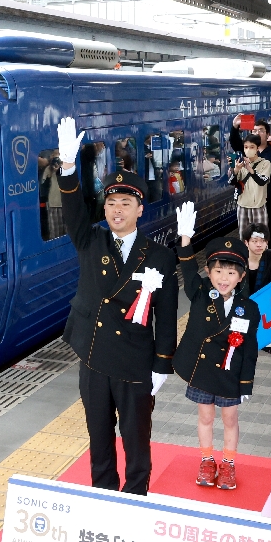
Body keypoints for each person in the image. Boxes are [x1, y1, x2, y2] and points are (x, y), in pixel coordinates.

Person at [55, 117, 179, 495]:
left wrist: (163, 365)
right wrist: (68, 168)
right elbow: (74, 210)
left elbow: (167, 314)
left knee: (136, 439)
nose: (116, 210)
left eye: (125, 203)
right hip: (93, 356)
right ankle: (103, 494)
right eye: (110, 203)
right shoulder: (91, 240)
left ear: (140, 209)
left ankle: (136, 495)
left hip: (135, 362)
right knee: (99, 437)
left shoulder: (159, 255)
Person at [173, 203, 260, 490]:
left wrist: (246, 383)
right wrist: (185, 239)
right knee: (205, 416)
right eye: (218, 271)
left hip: (230, 375)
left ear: (241, 277)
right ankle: (207, 461)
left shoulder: (249, 308)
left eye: (231, 273)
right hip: (201, 372)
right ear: (208, 272)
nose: (224, 278)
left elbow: (249, 349)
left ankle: (229, 465)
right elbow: (186, 266)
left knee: (230, 419)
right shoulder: (199, 295)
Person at [233, 134, 271, 239]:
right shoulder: (240, 163)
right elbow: (233, 182)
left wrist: (250, 168)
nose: (248, 150)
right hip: (242, 205)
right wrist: (235, 170)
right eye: (246, 147)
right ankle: (245, 256)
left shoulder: (265, 163)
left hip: (257, 206)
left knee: (260, 237)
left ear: (257, 148)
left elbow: (262, 181)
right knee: (243, 237)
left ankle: (261, 256)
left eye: (252, 147)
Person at [241, 222, 271, 294]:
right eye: (254, 241)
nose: (259, 245)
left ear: (267, 242)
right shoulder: (239, 260)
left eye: (263, 241)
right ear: (246, 242)